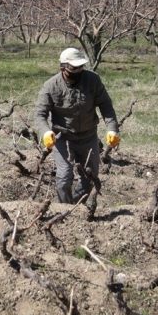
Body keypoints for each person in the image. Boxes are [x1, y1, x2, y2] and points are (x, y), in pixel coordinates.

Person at [34, 48, 120, 204]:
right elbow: (40, 114)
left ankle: (79, 207)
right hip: (63, 139)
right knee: (64, 179)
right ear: (63, 66)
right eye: (74, 68)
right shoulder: (51, 86)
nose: (79, 71)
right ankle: (64, 209)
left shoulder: (93, 80)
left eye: (81, 66)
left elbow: (106, 106)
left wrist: (112, 129)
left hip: (89, 137)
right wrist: (45, 132)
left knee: (90, 176)